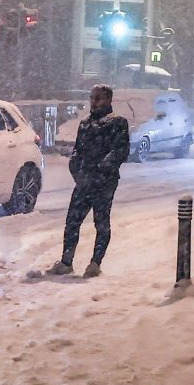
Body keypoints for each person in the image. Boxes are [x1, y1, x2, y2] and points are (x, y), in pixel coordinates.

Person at [48, 84, 130, 278]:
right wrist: (76, 170)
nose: (93, 102)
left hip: (104, 182)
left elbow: (120, 151)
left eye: (98, 98)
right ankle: (66, 261)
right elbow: (78, 151)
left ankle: (95, 263)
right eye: (92, 98)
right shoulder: (85, 124)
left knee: (101, 222)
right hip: (84, 181)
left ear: (108, 100)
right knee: (72, 221)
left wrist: (102, 169)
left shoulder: (117, 123)